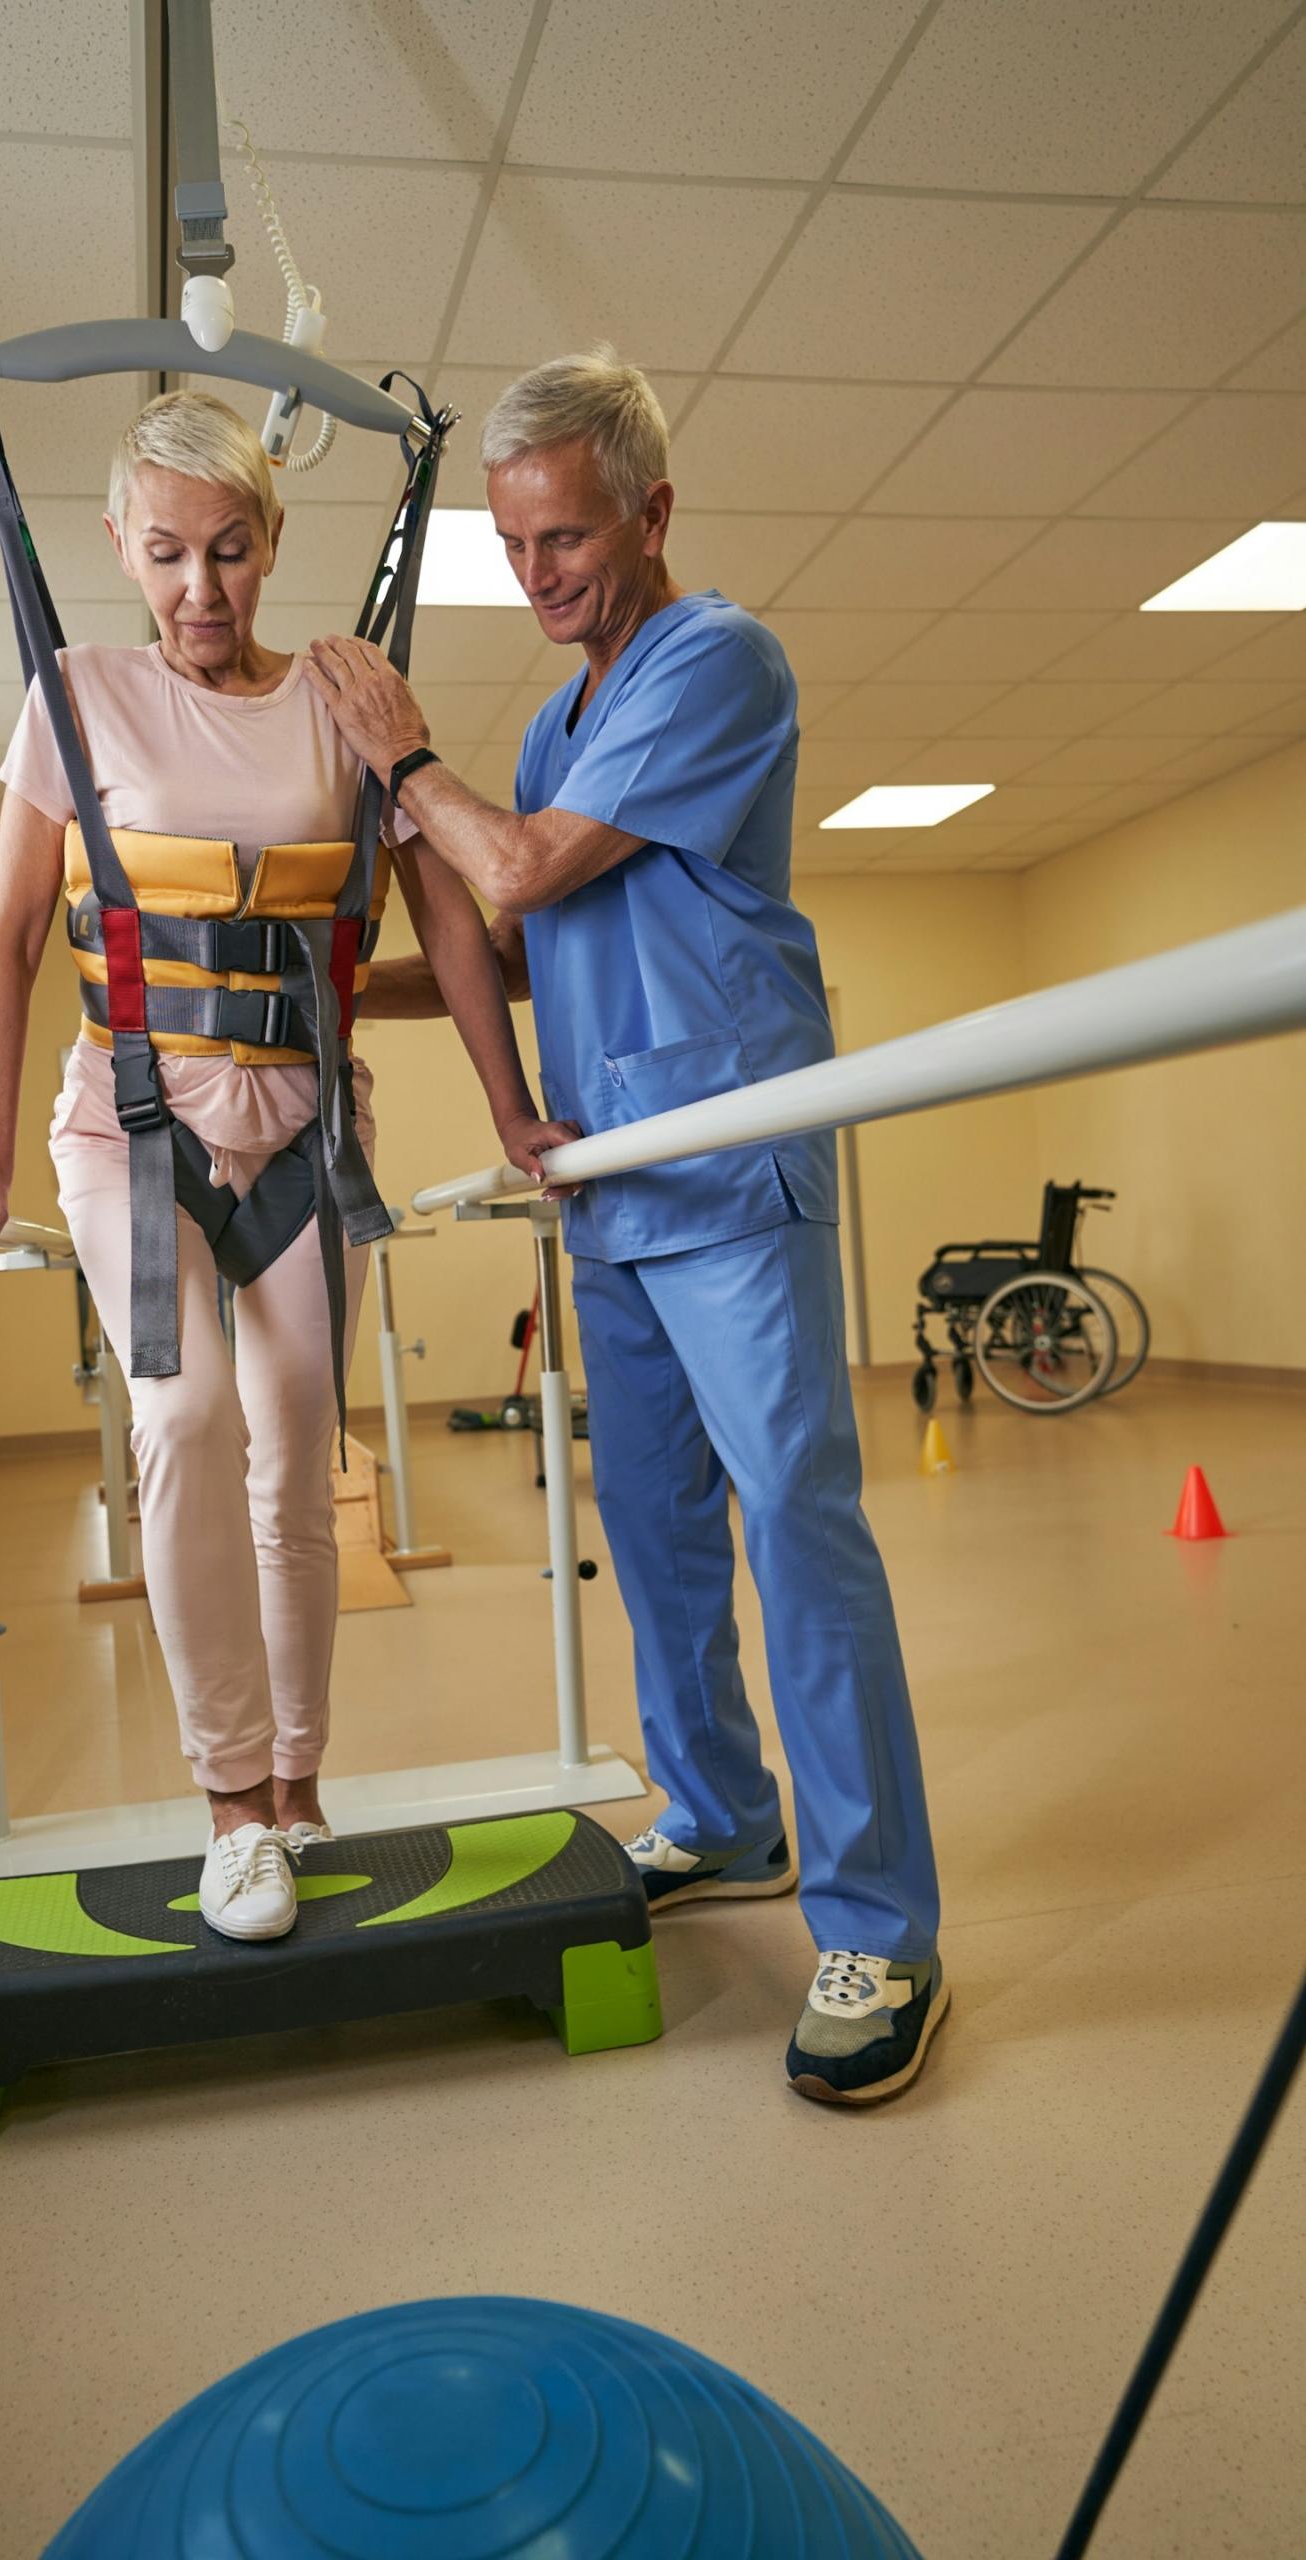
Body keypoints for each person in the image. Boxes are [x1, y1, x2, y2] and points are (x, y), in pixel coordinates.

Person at [309, 349, 947, 2105]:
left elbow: (510, 869)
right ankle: (724, 1814)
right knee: (653, 1539)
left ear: (652, 512)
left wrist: (404, 757)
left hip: (730, 1180)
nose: (539, 580)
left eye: (567, 541)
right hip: (609, 1188)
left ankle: (881, 1922)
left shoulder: (715, 657)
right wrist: (320, 996)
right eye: (514, 550)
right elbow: (511, 940)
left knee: (799, 1533)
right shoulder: (551, 726)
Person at [0, 391, 536, 1944]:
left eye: (236, 552)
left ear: (273, 545)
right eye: (172, 554)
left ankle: (304, 1784)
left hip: (307, 1138)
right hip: (132, 1130)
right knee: (185, 1422)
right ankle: (230, 1807)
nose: (204, 590)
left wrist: (516, 1115)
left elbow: (451, 923)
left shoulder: (346, 696)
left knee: (298, 1461)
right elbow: (0, 940)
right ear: (123, 548)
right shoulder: (76, 695)